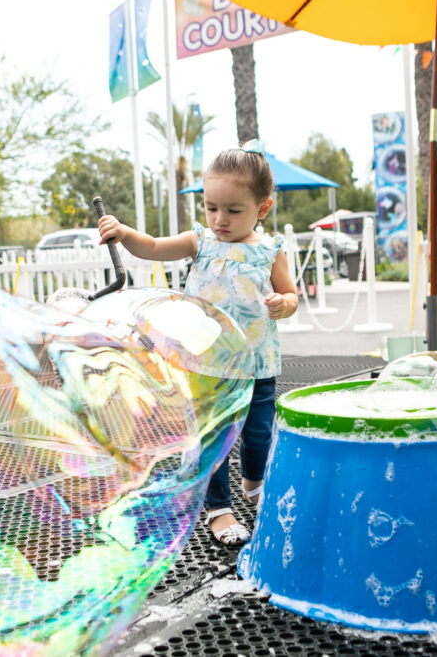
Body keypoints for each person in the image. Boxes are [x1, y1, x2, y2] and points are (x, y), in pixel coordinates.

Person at [97, 141, 298, 546]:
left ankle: (254, 485)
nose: (219, 219)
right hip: (208, 365)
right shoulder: (201, 242)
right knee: (213, 435)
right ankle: (219, 509)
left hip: (259, 365)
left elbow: (291, 294)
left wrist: (283, 304)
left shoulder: (271, 251)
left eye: (232, 210)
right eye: (211, 208)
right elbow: (152, 247)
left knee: (258, 434)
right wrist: (124, 232)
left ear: (262, 209)